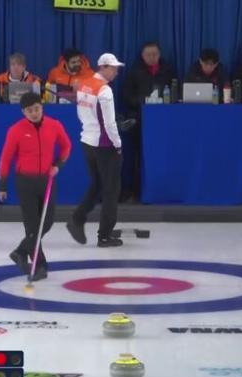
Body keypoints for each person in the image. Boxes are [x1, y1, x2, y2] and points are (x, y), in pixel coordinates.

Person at [0, 92, 72, 280]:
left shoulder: (54, 125)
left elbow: (66, 146)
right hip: (25, 182)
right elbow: (6, 158)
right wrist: (2, 185)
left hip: (46, 181)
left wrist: (58, 165)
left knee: (47, 222)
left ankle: (20, 251)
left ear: (42, 107)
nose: (34, 113)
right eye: (29, 110)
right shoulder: (16, 130)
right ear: (23, 112)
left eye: (37, 109)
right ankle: (39, 266)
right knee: (32, 226)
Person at [66, 53, 125, 248]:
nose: (116, 72)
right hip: (104, 145)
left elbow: (80, 113)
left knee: (98, 183)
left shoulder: (84, 84)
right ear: (104, 67)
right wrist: (118, 144)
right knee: (111, 190)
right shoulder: (105, 90)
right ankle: (104, 235)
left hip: (87, 141)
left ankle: (77, 218)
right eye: (114, 68)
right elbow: (109, 123)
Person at [121, 42, 177, 200]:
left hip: (164, 120)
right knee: (138, 156)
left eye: (155, 54)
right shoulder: (134, 72)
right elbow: (126, 95)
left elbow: (176, 91)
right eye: (148, 55)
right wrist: (143, 102)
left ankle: (162, 189)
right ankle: (137, 190)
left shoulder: (168, 71)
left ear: (159, 55)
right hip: (140, 120)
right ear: (142, 56)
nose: (152, 57)